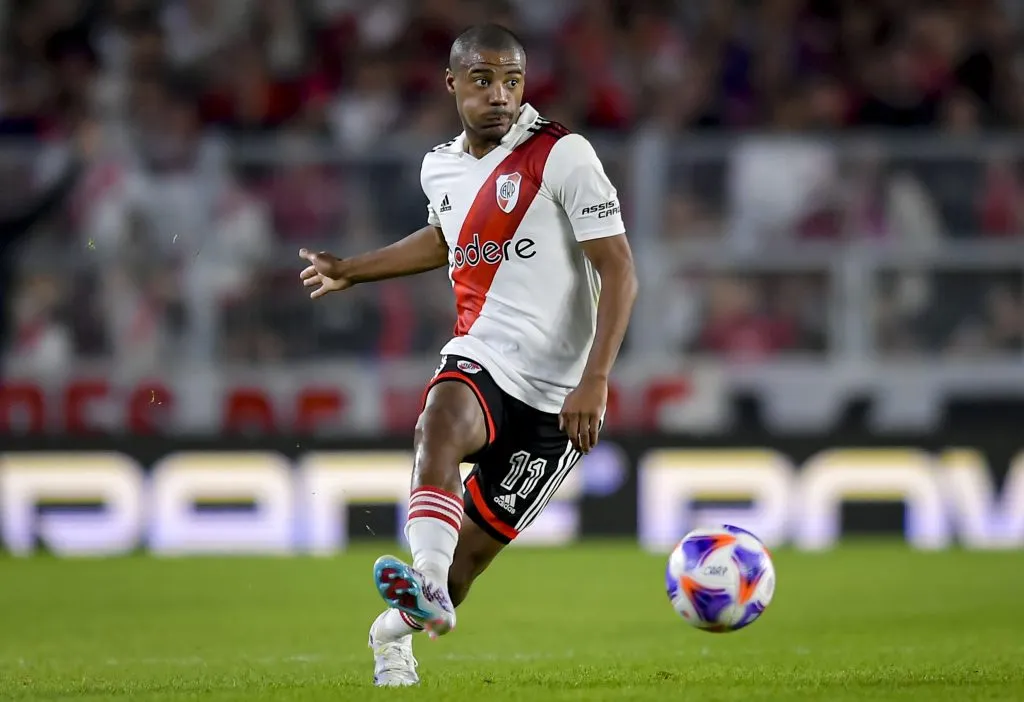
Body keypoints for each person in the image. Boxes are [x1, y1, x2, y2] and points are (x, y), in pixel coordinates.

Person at [298, 24, 637, 687]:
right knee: (440, 423)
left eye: (512, 80)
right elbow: (443, 237)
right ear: (452, 84)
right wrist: (354, 269)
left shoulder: (563, 155)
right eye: (483, 80)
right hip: (484, 354)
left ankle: (392, 630)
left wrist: (595, 380)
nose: (500, 95)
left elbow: (620, 270)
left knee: (465, 570)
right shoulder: (440, 165)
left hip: (558, 394)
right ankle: (422, 580)